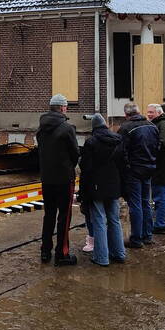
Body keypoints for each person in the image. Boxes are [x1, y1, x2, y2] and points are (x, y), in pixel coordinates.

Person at [36, 94, 80, 266]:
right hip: (64, 179)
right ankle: (62, 253)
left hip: (47, 178)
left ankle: (45, 251)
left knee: (49, 215)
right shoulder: (67, 128)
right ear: (62, 108)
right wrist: (68, 167)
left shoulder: (40, 128)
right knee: (64, 216)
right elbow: (75, 153)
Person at [79, 114, 127, 266]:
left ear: (93, 127)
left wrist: (83, 192)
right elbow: (123, 164)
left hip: (96, 187)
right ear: (105, 124)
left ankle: (102, 257)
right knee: (114, 220)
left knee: (99, 221)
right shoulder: (118, 140)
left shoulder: (91, 142)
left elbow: (85, 168)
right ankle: (119, 253)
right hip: (114, 185)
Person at [117, 102, 159, 248]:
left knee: (135, 204)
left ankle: (136, 238)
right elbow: (157, 146)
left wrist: (125, 169)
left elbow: (120, 152)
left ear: (126, 114)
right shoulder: (152, 126)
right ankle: (147, 235)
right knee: (145, 202)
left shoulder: (126, 128)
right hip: (149, 167)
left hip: (134, 170)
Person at [147, 104, 165, 234]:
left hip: (161, 165)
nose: (149, 114)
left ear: (158, 112)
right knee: (163, 194)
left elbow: (163, 144)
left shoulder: (162, 124)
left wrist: (151, 154)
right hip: (162, 164)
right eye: (148, 112)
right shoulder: (162, 123)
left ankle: (160, 224)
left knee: (160, 195)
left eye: (151, 112)